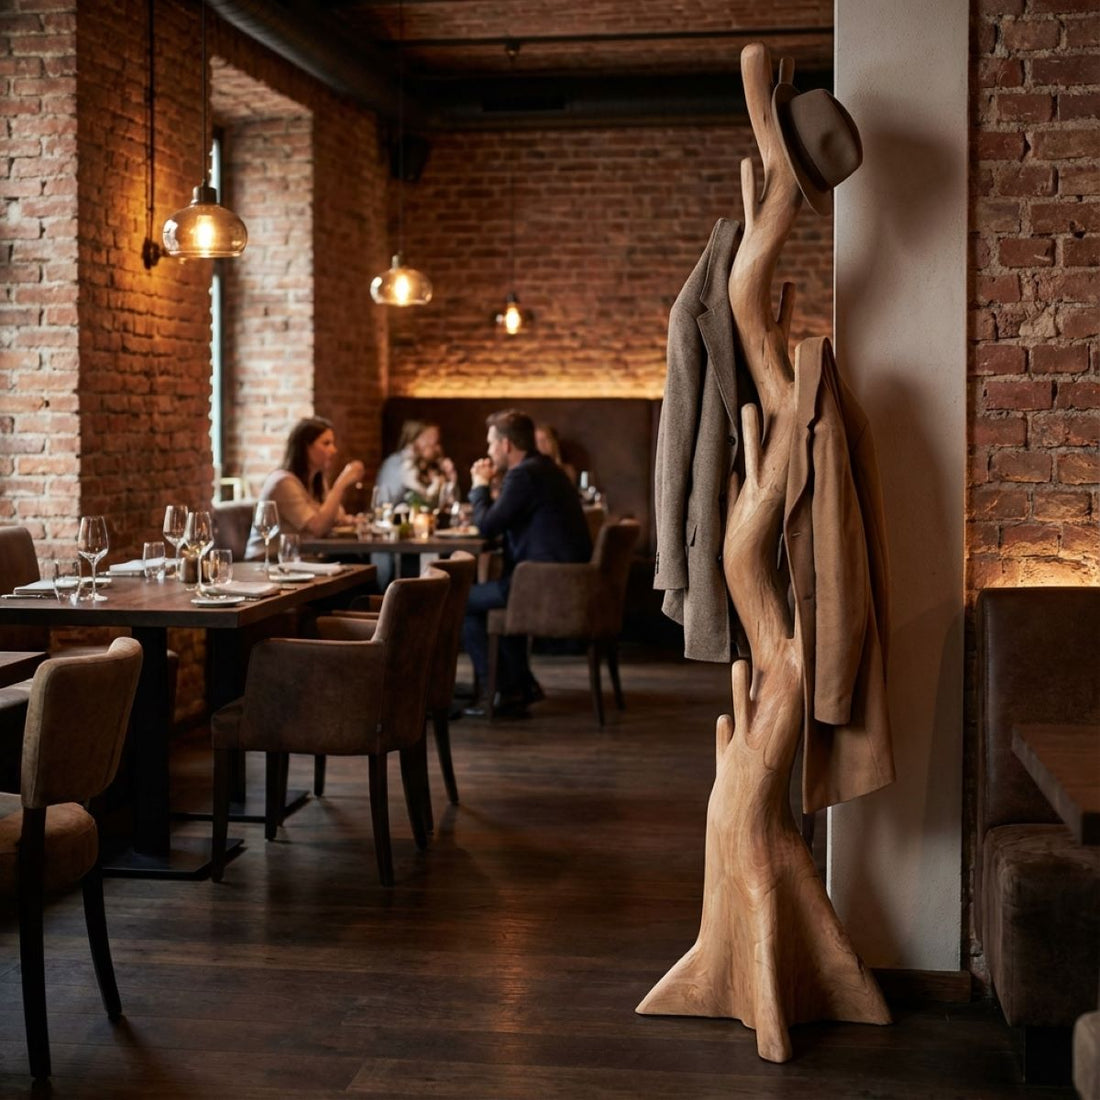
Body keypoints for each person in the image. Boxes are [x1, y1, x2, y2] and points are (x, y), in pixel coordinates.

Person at [463, 409, 592, 716]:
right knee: (487, 601)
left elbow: (488, 525)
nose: (489, 451)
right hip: (554, 578)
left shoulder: (525, 474)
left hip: (542, 583)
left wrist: (479, 485)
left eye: (492, 444)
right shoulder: (542, 468)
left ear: (506, 445)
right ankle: (518, 685)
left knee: (460, 601)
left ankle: (498, 692)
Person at [245, 416, 364, 560]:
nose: (334, 450)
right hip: (268, 561)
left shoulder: (316, 480)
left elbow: (336, 517)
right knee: (352, 560)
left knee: (355, 560)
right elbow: (318, 527)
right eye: (326, 444)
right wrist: (341, 484)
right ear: (305, 447)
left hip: (299, 559)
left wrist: (351, 521)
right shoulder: (283, 482)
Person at [375, 419, 458, 507]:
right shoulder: (396, 464)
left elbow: (451, 505)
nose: (437, 449)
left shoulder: (433, 469)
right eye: (432, 442)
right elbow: (385, 503)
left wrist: (451, 479)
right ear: (415, 440)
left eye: (438, 442)